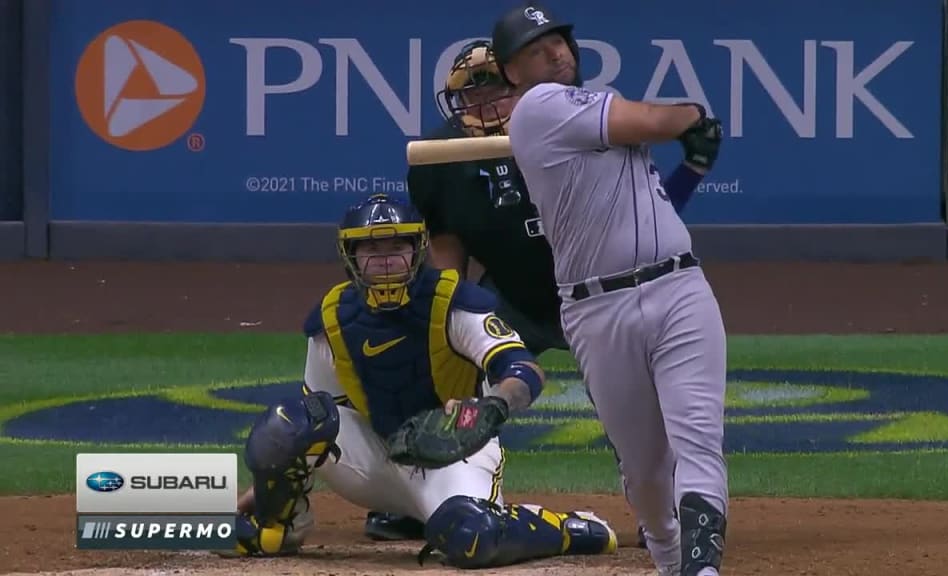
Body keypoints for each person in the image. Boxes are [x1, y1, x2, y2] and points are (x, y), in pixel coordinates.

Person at [361, 39, 722, 546]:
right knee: (454, 385)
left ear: (523, 90)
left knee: (640, 411)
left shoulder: (571, 126)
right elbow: (448, 253)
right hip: (516, 296)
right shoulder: (439, 161)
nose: (485, 107)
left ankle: (659, 514)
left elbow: (644, 217)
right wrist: (450, 326)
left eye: (496, 94)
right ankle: (425, 497)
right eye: (472, 97)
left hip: (597, 293)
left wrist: (693, 170)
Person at [228, 193, 618, 568]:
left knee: (473, 537)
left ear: (418, 250)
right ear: (351, 256)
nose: (385, 261)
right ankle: (277, 528)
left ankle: (567, 529)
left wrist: (493, 404)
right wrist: (261, 494)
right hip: (376, 459)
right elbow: (314, 419)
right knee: (288, 421)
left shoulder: (454, 303)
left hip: (453, 453)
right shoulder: (331, 320)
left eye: (397, 247)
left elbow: (522, 371)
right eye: (371, 250)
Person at [492, 4, 729, 576]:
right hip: (598, 308)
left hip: (679, 287)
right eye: (536, 49)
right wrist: (693, 113)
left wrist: (691, 170)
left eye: (559, 42)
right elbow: (655, 122)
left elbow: (647, 209)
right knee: (644, 470)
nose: (556, 53)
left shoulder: (593, 109)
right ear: (512, 73)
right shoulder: (540, 109)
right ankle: (670, 558)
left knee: (697, 440)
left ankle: (701, 570)